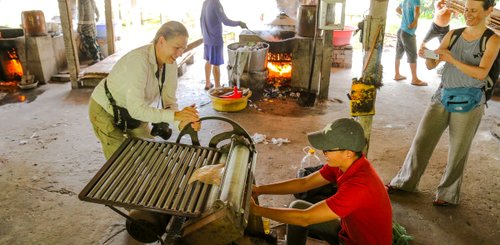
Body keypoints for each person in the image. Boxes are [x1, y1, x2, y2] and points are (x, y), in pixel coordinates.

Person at [386, 0, 499, 206]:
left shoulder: (492, 40)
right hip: (442, 95)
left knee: (458, 150)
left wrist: (451, 59)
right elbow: (432, 64)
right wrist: (427, 54)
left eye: (474, 10)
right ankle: (405, 182)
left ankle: (447, 195)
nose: (468, 14)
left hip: (471, 101)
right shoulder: (453, 34)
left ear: (488, 11)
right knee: (422, 140)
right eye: (466, 9)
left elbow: (482, 73)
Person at [250, 118, 392, 245]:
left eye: (327, 149)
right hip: (347, 232)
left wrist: (257, 210)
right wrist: (260, 189)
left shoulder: (359, 186)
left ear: (348, 153)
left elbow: (305, 218)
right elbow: (304, 183)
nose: (323, 153)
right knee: (298, 206)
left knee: (301, 216)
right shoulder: (344, 164)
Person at [88, 21, 201, 159]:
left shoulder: (170, 64)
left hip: (132, 111)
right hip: (105, 109)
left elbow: (169, 102)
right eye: (177, 47)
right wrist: (177, 115)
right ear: (161, 41)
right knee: (120, 162)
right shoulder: (139, 61)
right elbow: (136, 110)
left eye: (183, 49)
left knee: (150, 154)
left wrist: (183, 122)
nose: (180, 54)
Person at [200, 0, 247, 90]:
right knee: (216, 64)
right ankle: (217, 86)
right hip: (215, 39)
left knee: (208, 60)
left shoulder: (205, 2)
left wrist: (204, 35)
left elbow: (201, 19)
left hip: (207, 38)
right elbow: (225, 21)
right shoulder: (216, 3)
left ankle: (208, 83)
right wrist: (239, 23)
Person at [394, 0, 427, 86]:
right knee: (412, 55)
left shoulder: (405, 1)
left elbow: (397, 9)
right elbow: (417, 12)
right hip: (408, 32)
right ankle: (414, 79)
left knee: (398, 53)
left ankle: (397, 74)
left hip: (401, 30)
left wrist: (405, 17)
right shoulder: (416, 0)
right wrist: (414, 22)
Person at [78, 0, 104, 65]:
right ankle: (100, 56)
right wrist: (98, 16)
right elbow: (96, 8)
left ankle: (96, 58)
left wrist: (79, 25)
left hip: (86, 24)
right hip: (93, 23)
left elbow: (81, 13)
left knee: (89, 42)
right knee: (94, 40)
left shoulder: (82, 1)